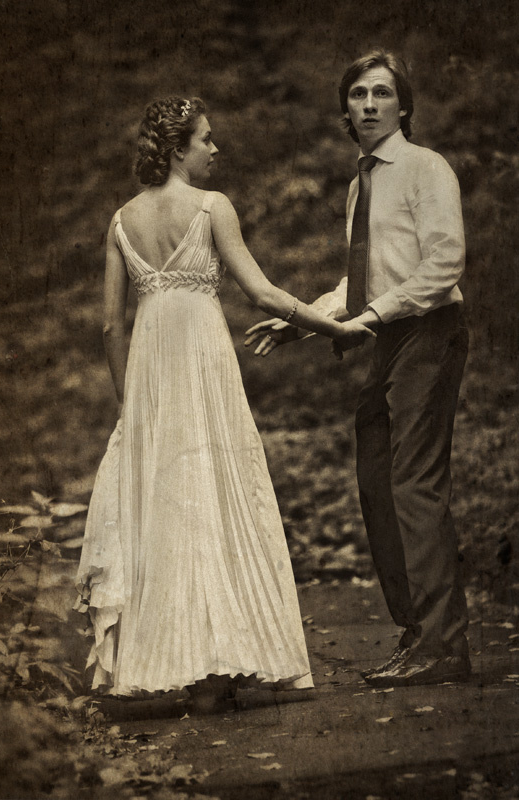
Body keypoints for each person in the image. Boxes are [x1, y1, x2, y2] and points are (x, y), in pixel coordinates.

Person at [74, 96, 374, 705]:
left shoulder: (121, 220)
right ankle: (218, 663)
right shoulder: (212, 206)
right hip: (200, 362)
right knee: (212, 492)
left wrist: (130, 406)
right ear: (177, 149)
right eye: (206, 139)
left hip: (150, 372)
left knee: (167, 502)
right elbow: (261, 292)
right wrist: (333, 327)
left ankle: (181, 664)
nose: (216, 149)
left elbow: (110, 327)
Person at [245, 50, 470, 687]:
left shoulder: (426, 168)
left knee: (413, 483)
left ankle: (444, 645)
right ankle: (417, 633)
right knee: (375, 482)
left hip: (430, 331)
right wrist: (301, 323)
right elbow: (361, 280)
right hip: (388, 334)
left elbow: (444, 264)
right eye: (358, 95)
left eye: (382, 93)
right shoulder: (359, 185)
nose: (369, 105)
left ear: (404, 105)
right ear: (345, 108)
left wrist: (372, 315)